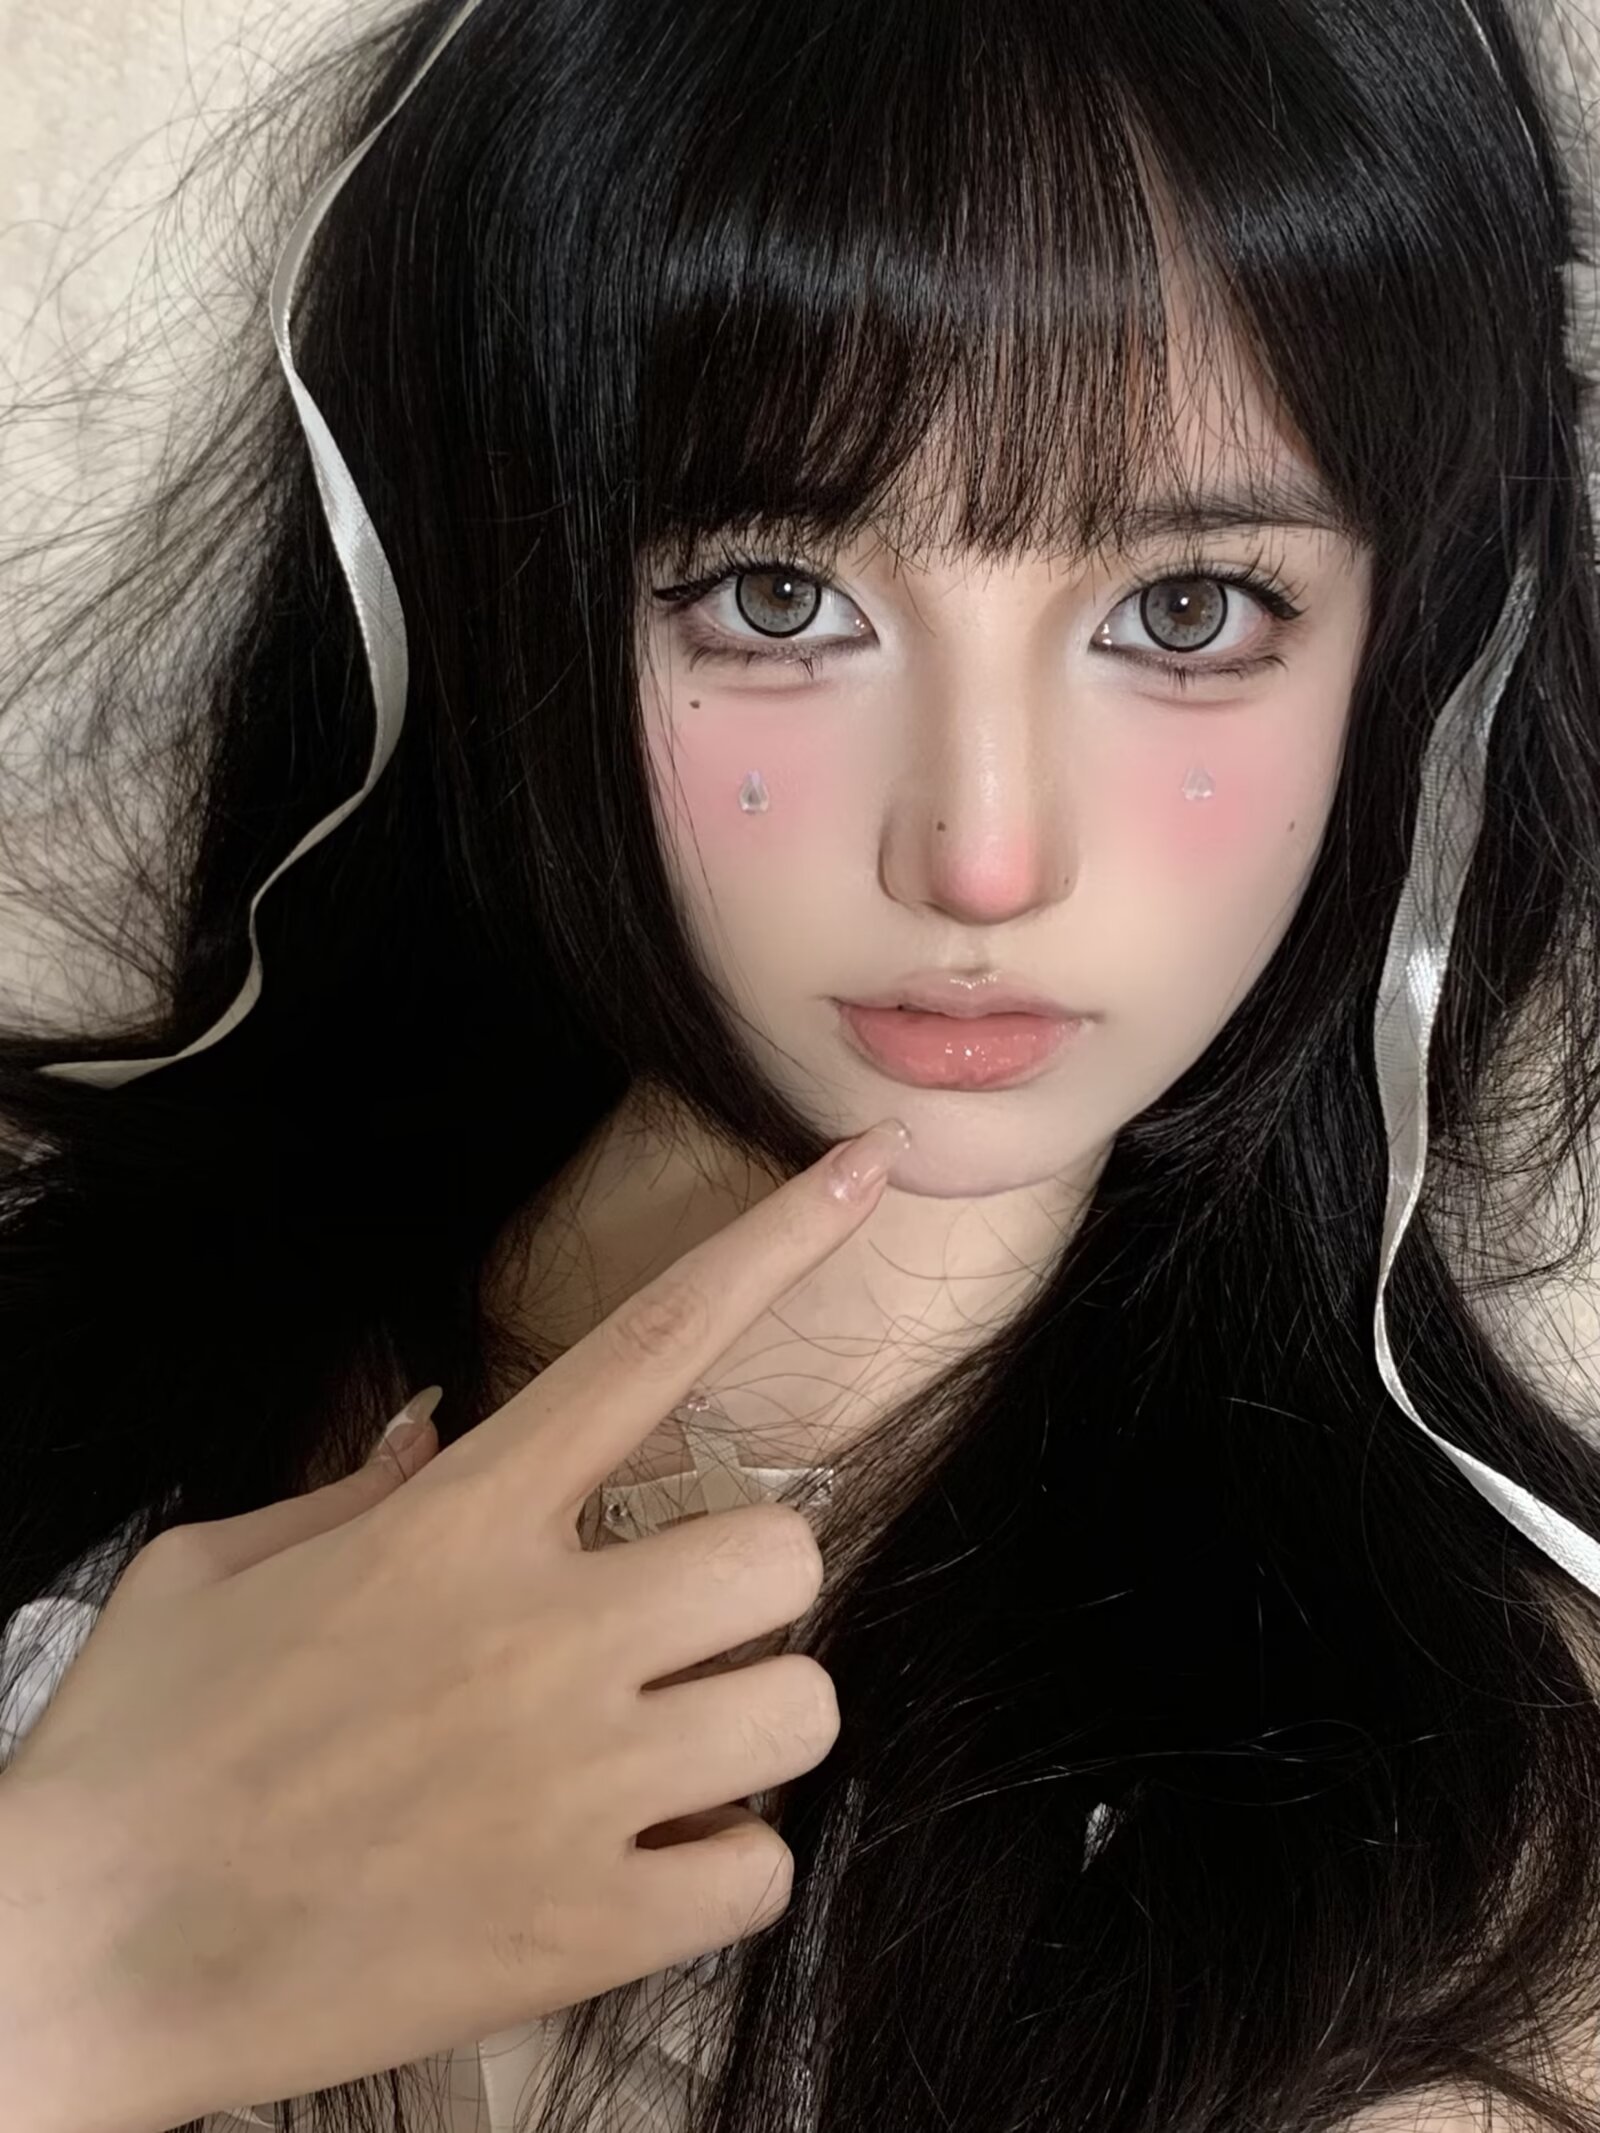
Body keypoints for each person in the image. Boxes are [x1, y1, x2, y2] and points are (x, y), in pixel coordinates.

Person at [2, 0, 1600, 2126]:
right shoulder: (63, 1385)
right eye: (773, 597)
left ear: (1413, 655)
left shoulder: (1499, 1841)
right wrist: (67, 1957)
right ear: (511, 597)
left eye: (1188, 612)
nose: (981, 852)